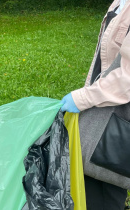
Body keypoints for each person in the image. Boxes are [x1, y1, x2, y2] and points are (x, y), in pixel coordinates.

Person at [61, 0, 130, 209]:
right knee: (87, 186)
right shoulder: (119, 2)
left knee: (106, 189)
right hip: (99, 113)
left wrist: (83, 98)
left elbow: (127, 77)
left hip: (118, 123)